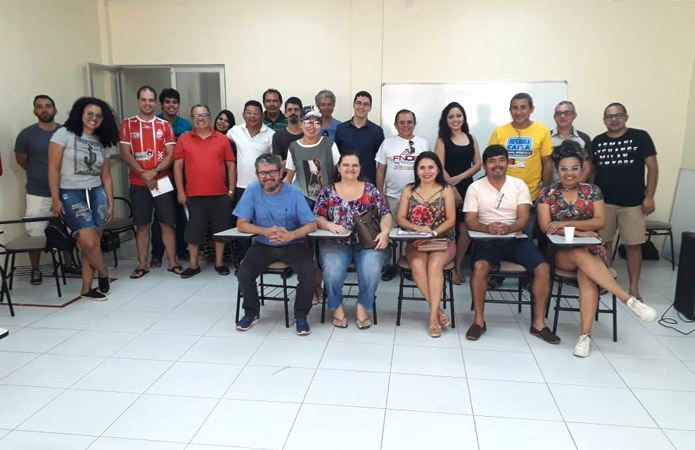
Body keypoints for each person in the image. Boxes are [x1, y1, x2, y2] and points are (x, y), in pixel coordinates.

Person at [537, 140, 658, 357]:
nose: (569, 174)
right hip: (561, 252)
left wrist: (565, 224)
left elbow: (600, 222)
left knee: (587, 276)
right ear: (557, 170)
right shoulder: (547, 193)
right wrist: (581, 232)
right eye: (564, 169)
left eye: (574, 168)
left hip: (593, 250)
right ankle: (626, 298)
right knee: (577, 253)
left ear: (582, 169)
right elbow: (547, 227)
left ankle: (585, 337)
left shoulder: (592, 191)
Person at [463, 145, 559, 344]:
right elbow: (470, 221)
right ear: (484, 166)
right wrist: (487, 228)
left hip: (515, 237)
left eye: (501, 160)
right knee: (480, 267)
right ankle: (479, 322)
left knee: (543, 268)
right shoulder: (475, 187)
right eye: (492, 161)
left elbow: (524, 218)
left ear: (507, 163)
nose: (497, 165)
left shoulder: (519, 185)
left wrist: (509, 228)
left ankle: (539, 323)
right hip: (486, 238)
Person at [233, 154, 316, 336]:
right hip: (263, 243)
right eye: (263, 173)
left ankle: (301, 316)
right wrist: (265, 231)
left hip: (293, 243)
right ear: (257, 174)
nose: (268, 177)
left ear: (281, 172)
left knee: (309, 272)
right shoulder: (252, 190)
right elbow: (241, 224)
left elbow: (311, 224)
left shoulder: (293, 192)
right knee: (244, 272)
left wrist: (291, 235)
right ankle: (251, 313)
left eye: (272, 172)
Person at [47, 97, 119, 301]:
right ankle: (103, 271)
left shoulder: (102, 141)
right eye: (90, 114)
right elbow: (53, 168)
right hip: (71, 193)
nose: (93, 118)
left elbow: (106, 176)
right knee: (88, 241)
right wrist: (55, 199)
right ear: (80, 113)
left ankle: (86, 289)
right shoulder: (64, 134)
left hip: (96, 193)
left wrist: (111, 204)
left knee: (92, 243)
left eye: (99, 116)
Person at [314, 152, 392, 329]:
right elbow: (317, 217)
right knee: (332, 269)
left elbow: (386, 214)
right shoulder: (327, 191)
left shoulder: (371, 190)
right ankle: (336, 306)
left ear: (360, 168)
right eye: (346, 165)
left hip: (368, 243)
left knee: (372, 268)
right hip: (335, 243)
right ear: (339, 168)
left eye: (355, 165)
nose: (350, 169)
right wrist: (329, 225)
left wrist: (385, 232)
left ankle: (363, 305)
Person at [593, 102, 659, 301]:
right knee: (603, 244)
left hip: (633, 203)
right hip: (604, 203)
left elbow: (653, 168)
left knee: (633, 245)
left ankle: (634, 289)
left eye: (618, 115)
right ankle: (606, 283)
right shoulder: (598, 141)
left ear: (626, 117)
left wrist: (649, 197)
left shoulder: (640, 137)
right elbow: (593, 172)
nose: (614, 119)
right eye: (609, 116)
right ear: (604, 120)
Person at [14, 94, 78, 285]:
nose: (44, 109)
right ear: (35, 111)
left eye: (48, 106)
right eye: (40, 106)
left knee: (68, 228)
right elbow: (22, 161)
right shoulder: (26, 135)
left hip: (64, 189)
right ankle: (36, 269)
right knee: (35, 231)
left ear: (55, 110)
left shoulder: (66, 132)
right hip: (37, 192)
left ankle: (68, 264)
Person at [119, 86, 180, 279]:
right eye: (144, 99)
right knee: (143, 225)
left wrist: (154, 172)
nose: (147, 103)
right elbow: (125, 154)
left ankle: (172, 262)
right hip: (139, 183)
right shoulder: (127, 124)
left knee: (167, 223)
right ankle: (142, 264)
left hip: (162, 181)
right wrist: (143, 173)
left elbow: (171, 154)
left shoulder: (165, 125)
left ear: (155, 102)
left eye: (151, 100)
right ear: (138, 101)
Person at [397, 151, 456, 338]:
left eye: (431, 167)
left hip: (442, 240)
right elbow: (400, 218)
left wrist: (432, 233)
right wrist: (417, 228)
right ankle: (437, 311)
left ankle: (432, 318)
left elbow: (451, 220)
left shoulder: (446, 190)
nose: (426, 171)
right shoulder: (409, 189)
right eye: (422, 167)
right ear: (416, 170)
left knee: (434, 264)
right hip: (416, 241)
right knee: (417, 263)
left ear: (438, 169)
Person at [173, 104, 236, 278]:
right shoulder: (184, 139)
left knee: (221, 230)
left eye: (203, 115)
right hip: (194, 195)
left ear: (210, 117)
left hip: (220, 195)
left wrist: (231, 191)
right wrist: (180, 192)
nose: (200, 119)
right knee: (193, 231)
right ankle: (193, 265)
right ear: (192, 119)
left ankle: (219, 263)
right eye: (196, 116)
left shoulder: (222, 139)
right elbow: (177, 167)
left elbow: (231, 165)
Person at [375, 109, 430, 281]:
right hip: (392, 196)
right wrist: (380, 194)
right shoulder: (387, 143)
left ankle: (409, 264)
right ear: (395, 125)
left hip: (418, 198)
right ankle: (392, 265)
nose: (406, 125)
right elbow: (380, 170)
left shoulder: (423, 143)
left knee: (412, 232)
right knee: (391, 231)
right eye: (402, 122)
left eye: (409, 122)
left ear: (414, 124)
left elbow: (429, 170)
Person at [434, 102, 481, 285]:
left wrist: (460, 178)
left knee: (466, 229)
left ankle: (458, 266)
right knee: (450, 230)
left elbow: (478, 165)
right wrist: (453, 188)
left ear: (464, 118)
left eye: (458, 115)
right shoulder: (442, 140)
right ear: (446, 120)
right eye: (451, 116)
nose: (455, 119)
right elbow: (439, 167)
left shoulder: (471, 138)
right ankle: (449, 265)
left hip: (468, 187)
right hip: (447, 188)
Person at [150, 88, 192, 268]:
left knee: (181, 215)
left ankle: (181, 250)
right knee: (160, 217)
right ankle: (157, 254)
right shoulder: (155, 124)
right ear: (161, 104)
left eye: (174, 102)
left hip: (182, 176)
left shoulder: (186, 125)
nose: (171, 105)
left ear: (178, 105)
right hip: (161, 176)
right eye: (167, 102)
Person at [284, 106, 341, 206]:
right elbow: (289, 176)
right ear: (301, 124)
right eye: (308, 122)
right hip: (301, 199)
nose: (312, 127)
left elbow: (339, 171)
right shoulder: (294, 147)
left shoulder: (329, 144)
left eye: (316, 123)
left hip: (326, 199)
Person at [227, 100, 275, 200]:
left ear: (262, 116)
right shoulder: (235, 131)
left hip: (263, 185)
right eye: (248, 113)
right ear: (243, 115)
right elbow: (220, 142)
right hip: (241, 186)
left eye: (256, 113)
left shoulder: (271, 135)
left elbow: (276, 161)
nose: (252, 116)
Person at [334, 91, 385, 184]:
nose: (361, 107)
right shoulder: (341, 129)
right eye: (358, 103)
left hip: (368, 182)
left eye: (366, 104)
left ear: (370, 108)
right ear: (353, 105)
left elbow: (382, 160)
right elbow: (337, 157)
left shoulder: (377, 131)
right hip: (345, 181)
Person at [550, 101, 593, 183]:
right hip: (553, 188)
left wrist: (573, 187)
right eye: (558, 113)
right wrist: (552, 188)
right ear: (554, 117)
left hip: (577, 187)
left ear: (574, 115)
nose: (562, 116)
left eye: (567, 113)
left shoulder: (584, 138)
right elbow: (544, 166)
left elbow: (587, 169)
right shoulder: (546, 137)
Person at [271, 96, 304, 169]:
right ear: (285, 113)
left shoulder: (309, 134)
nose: (293, 112)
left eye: (296, 109)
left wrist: (288, 163)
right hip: (286, 176)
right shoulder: (278, 136)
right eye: (289, 110)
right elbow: (278, 165)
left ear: (301, 113)